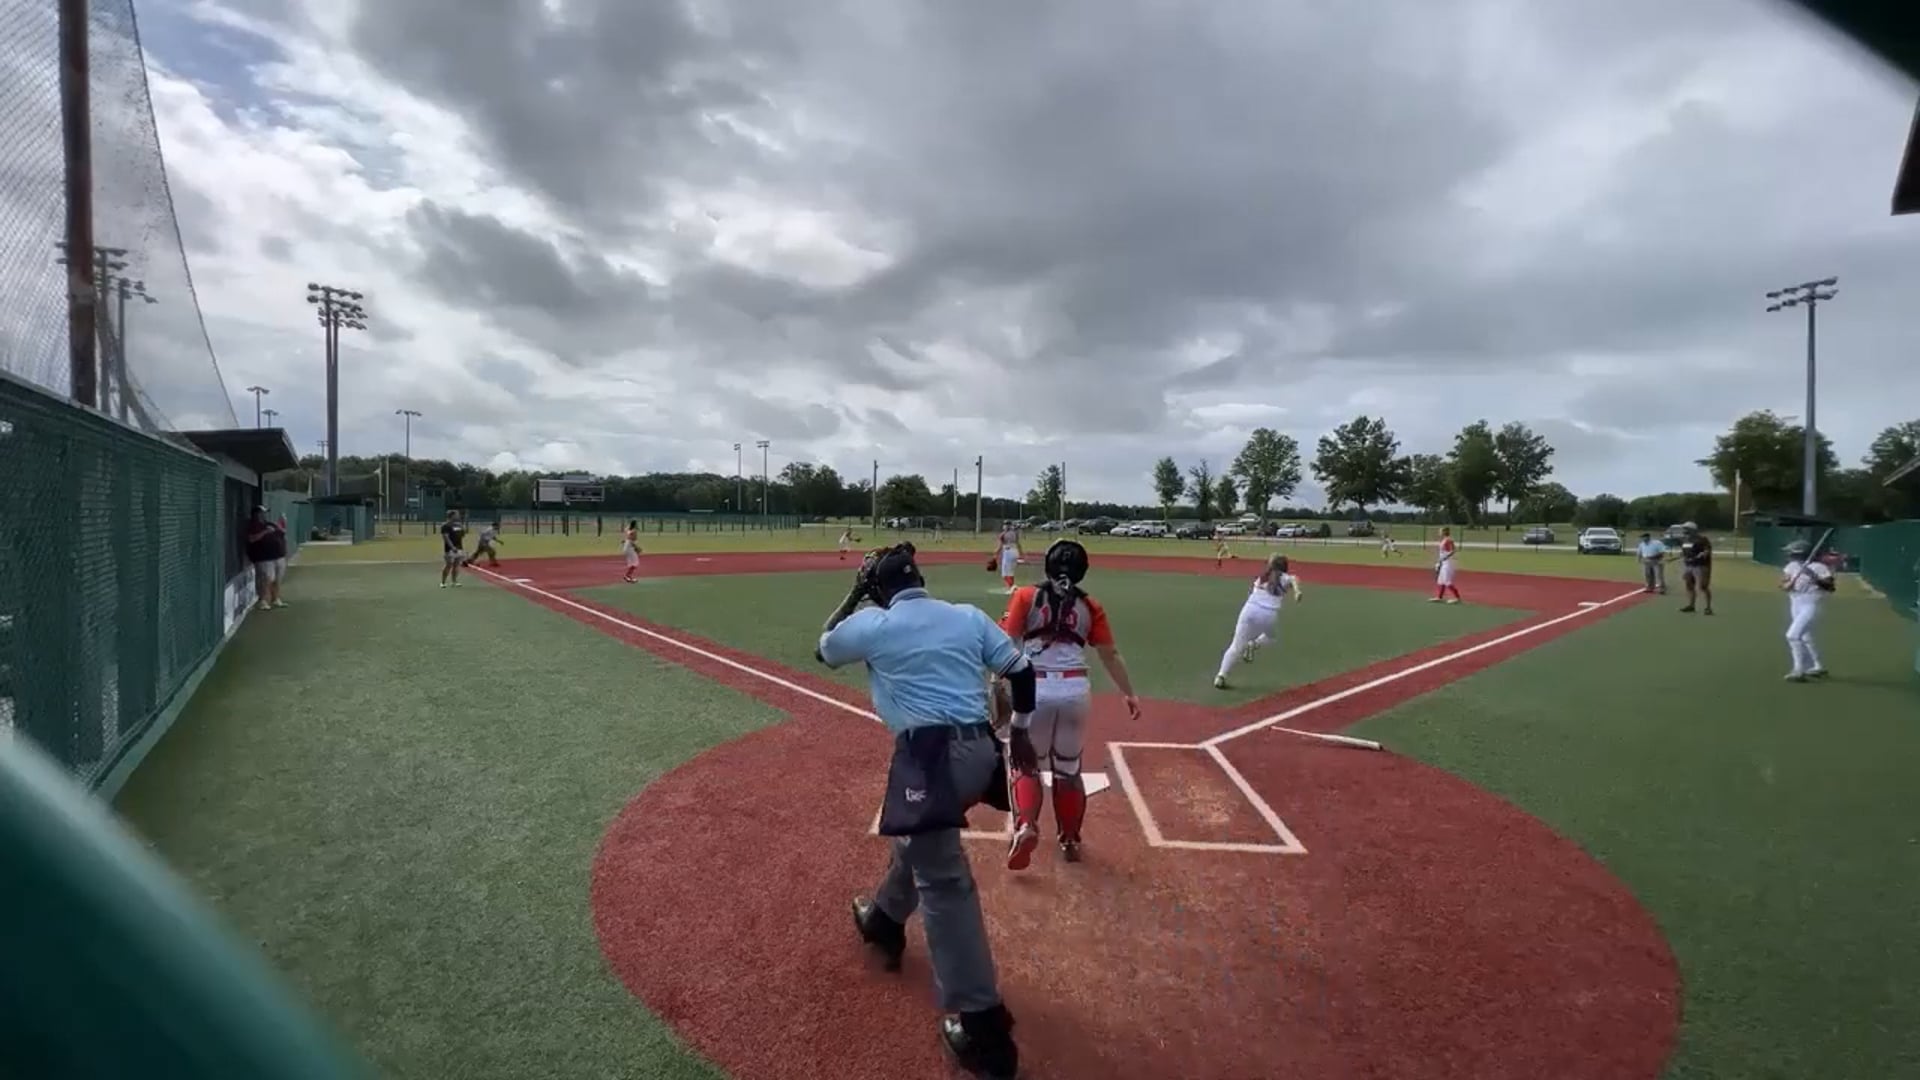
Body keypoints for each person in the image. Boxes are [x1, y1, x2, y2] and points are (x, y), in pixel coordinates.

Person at [819, 543, 1026, 1079]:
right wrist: (1017, 736)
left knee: (944, 881)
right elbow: (1020, 673)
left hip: (932, 760)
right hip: (982, 754)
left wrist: (854, 595)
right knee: (921, 839)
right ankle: (885, 919)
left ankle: (984, 1031)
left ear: (879, 591)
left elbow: (825, 647)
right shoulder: (966, 615)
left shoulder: (875, 624)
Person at [997, 539, 1142, 868]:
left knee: (1025, 763)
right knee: (1068, 767)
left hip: (1033, 688)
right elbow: (1109, 654)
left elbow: (1007, 645)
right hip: (1075, 690)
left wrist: (998, 684)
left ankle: (1026, 825)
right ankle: (1070, 837)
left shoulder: (1025, 597)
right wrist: (1129, 693)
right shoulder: (1090, 606)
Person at [1215, 553, 1302, 690]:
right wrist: (1297, 592)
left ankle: (1221, 676)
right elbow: (1294, 579)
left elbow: (1251, 592)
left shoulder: (1261, 577)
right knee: (1271, 638)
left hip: (1249, 609)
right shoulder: (1284, 578)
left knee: (1236, 646)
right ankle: (1254, 644)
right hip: (1268, 614)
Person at [1779, 537, 1835, 681]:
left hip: (1811, 605)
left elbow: (1830, 587)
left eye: (1791, 552)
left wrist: (1813, 577)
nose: (1789, 554)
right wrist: (1787, 585)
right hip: (1795, 604)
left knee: (1792, 635)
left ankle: (1798, 670)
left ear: (1799, 553)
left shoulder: (1820, 567)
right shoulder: (1791, 566)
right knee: (1805, 637)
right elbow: (1783, 584)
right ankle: (1818, 666)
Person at [243, 506, 288, 612]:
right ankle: (263, 601)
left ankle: (275, 598)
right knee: (267, 579)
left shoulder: (269, 524)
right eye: (261, 513)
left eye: (264, 513)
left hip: (278, 556)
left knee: (277, 579)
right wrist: (265, 532)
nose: (263, 515)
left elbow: (282, 533)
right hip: (264, 558)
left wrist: (283, 523)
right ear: (256, 514)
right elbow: (251, 539)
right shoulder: (253, 526)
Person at [1678, 522, 1714, 615]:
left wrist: (1703, 554)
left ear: (1693, 530)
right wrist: (1683, 555)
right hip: (1688, 566)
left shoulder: (1702, 539)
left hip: (1701, 566)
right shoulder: (1685, 539)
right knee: (1689, 586)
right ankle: (1691, 605)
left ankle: (1708, 608)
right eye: (1684, 529)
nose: (1684, 530)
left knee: (1703, 586)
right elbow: (1684, 552)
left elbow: (1706, 551)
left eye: (1686, 529)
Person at [1430, 526, 1462, 603]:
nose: (1439, 532)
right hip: (1443, 562)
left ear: (1444, 532)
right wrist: (1439, 561)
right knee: (1440, 580)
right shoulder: (1444, 540)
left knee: (1447, 581)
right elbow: (1443, 553)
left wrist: (1445, 557)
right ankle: (1439, 597)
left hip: (1448, 563)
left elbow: (1453, 550)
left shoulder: (1448, 540)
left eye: (1440, 531)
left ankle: (1457, 598)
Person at [991, 523, 1022, 594]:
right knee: (1011, 572)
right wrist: (1021, 555)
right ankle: (1012, 587)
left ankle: (1011, 588)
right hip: (1015, 551)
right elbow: (1018, 544)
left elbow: (1000, 546)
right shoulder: (1015, 533)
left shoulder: (1003, 534)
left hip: (1008, 553)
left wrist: (995, 553)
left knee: (1005, 573)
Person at [439, 510, 466, 588]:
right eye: (456, 515)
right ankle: (443, 582)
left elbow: (462, 535)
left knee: (456, 565)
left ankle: (454, 581)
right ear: (452, 516)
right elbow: (446, 537)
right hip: (450, 549)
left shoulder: (458, 525)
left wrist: (462, 528)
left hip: (459, 547)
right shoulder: (445, 525)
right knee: (449, 565)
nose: (458, 516)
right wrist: (452, 547)